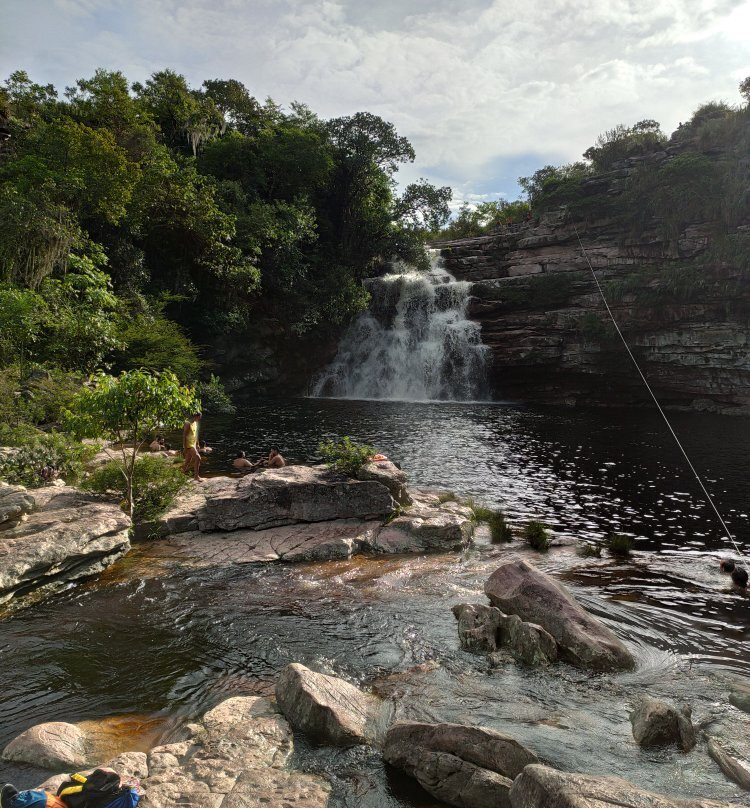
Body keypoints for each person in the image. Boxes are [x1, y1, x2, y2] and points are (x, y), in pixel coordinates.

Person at [181, 412, 204, 482]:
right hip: (189, 444)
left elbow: (195, 434)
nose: (200, 419)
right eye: (199, 417)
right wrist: (184, 447)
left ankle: (180, 474)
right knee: (198, 458)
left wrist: (197, 443)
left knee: (188, 460)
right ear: (196, 416)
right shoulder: (188, 423)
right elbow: (184, 436)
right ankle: (196, 476)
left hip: (193, 444)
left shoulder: (195, 423)